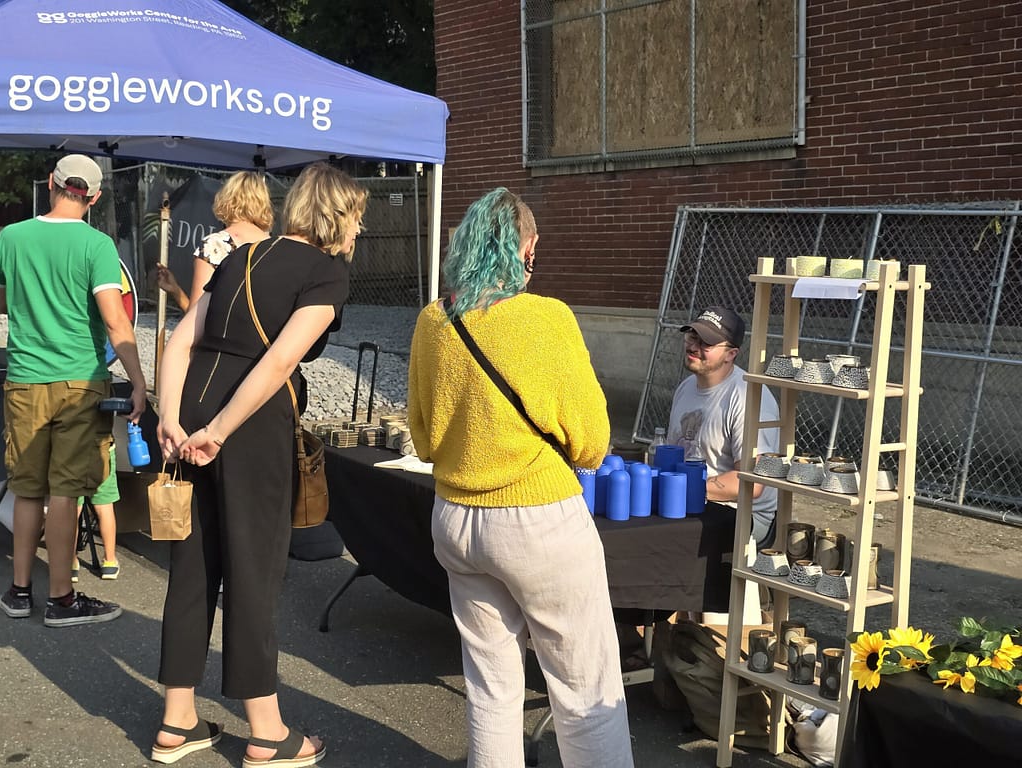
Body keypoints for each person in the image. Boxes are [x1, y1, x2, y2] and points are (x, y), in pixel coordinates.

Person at [408, 188, 634, 768]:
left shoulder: (433, 321)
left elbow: (426, 439)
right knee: (585, 685)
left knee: (490, 685)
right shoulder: (547, 319)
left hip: (456, 520)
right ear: (525, 249)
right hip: (537, 521)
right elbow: (592, 444)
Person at [151, 162, 365, 767]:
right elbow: (277, 363)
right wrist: (218, 431)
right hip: (247, 427)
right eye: (357, 218)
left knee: (193, 563)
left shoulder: (240, 254)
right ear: (337, 215)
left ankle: (177, 718)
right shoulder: (327, 273)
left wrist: (172, 416)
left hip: (192, 405)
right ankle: (266, 731)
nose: (359, 231)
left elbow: (182, 339)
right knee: (253, 569)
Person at [0, 154, 146, 626]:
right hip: (80, 381)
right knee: (65, 491)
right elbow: (115, 318)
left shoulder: (10, 237)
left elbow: (3, 297)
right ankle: (61, 598)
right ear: (95, 197)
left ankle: (19, 592)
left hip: (24, 377)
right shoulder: (97, 245)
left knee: (26, 488)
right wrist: (140, 380)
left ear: (50, 183)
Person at [667, 305, 780, 549]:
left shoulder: (748, 396)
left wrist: (678, 488)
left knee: (663, 543)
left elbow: (752, 484)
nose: (694, 346)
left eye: (706, 343)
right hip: (690, 500)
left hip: (741, 515)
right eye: (692, 336)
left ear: (731, 354)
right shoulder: (685, 387)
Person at [155, 170, 274, 314]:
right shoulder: (276, 247)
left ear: (226, 199)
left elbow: (196, 318)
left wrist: (177, 292)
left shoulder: (215, 245)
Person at [74, 441, 121, 581]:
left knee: (71, 507)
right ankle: (110, 561)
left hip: (70, 449)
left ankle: (70, 563)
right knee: (104, 505)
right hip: (101, 448)